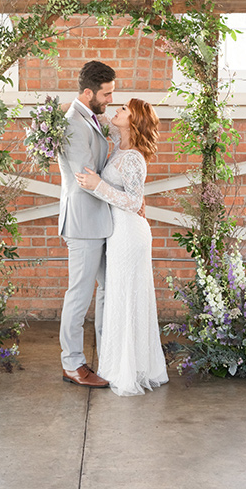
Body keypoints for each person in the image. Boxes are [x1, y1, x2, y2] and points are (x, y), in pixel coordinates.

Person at [76, 99, 169, 397]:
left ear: (134, 121)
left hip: (129, 235)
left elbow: (134, 202)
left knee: (126, 297)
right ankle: (119, 363)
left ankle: (129, 368)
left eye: (124, 110)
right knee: (118, 295)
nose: (117, 110)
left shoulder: (134, 159)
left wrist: (96, 185)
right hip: (118, 233)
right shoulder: (118, 142)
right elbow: (92, 117)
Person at [58, 60, 116, 388]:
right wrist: (124, 186)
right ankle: (73, 363)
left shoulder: (89, 116)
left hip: (100, 218)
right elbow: (85, 176)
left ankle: (109, 353)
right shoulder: (72, 124)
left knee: (109, 287)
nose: (109, 100)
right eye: (106, 94)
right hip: (82, 220)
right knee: (79, 294)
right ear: (88, 92)